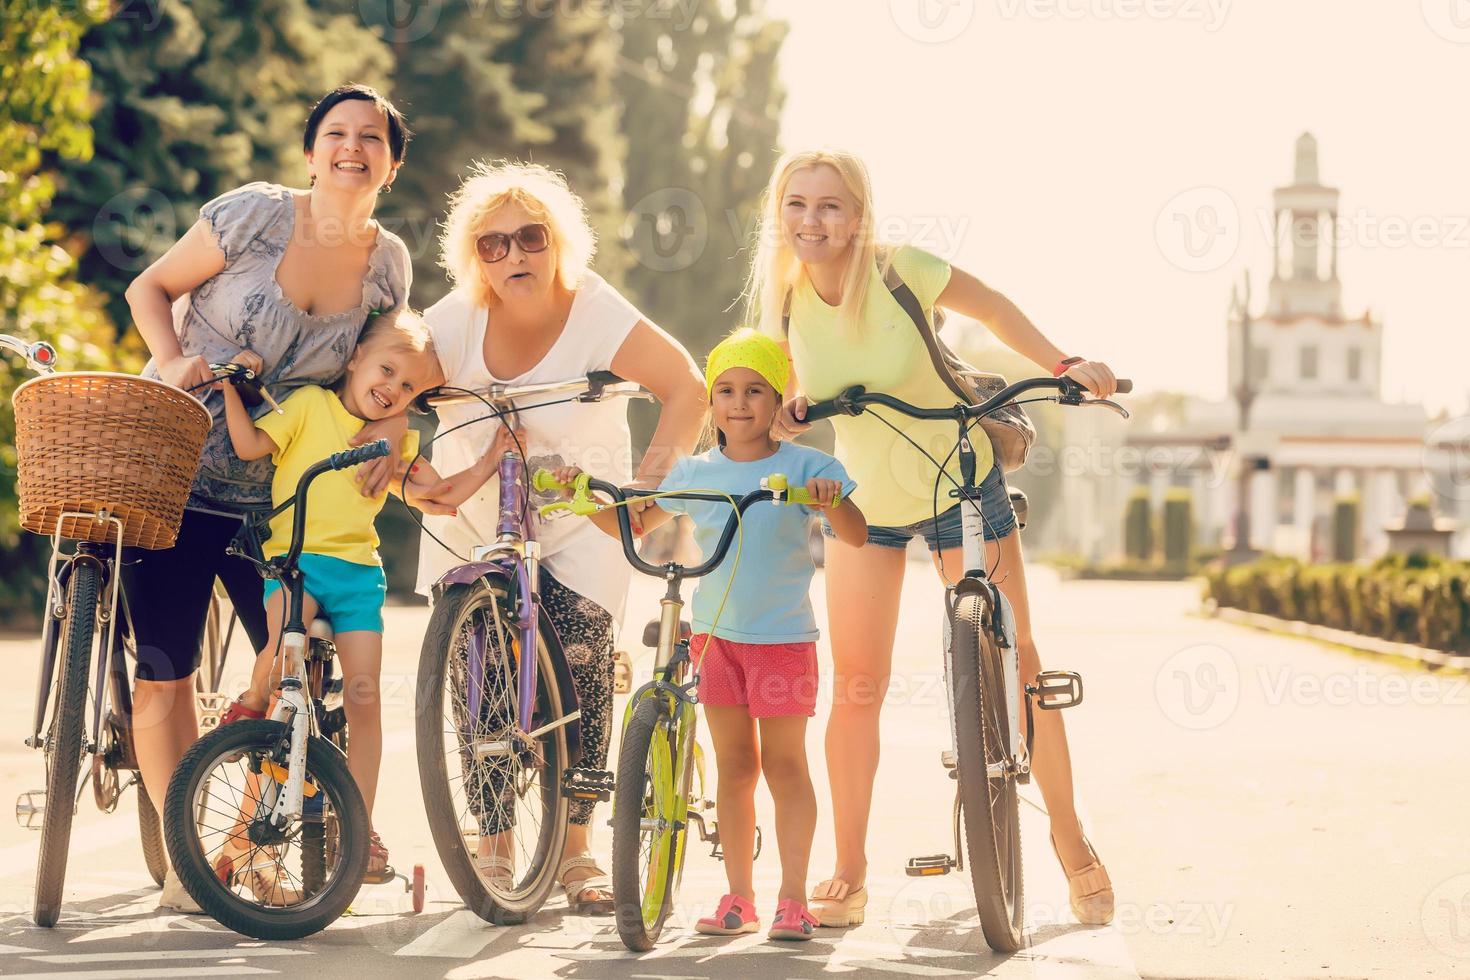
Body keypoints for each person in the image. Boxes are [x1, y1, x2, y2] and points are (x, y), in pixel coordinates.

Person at [748, 148, 1121, 927]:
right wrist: (786, 408)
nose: (813, 220)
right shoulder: (783, 300)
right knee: (856, 687)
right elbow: (788, 383)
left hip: (960, 481)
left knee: (1022, 663)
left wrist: (1064, 363)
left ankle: (1068, 835)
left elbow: (992, 307)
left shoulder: (899, 271)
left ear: (859, 215)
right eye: (797, 204)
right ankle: (848, 871)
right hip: (866, 505)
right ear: (778, 214)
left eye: (831, 205)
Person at [122, 84, 418, 912]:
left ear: (392, 165)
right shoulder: (253, 215)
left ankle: (243, 847)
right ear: (310, 148)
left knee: (294, 676)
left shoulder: (388, 264)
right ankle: (187, 860)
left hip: (285, 503)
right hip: (179, 467)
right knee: (165, 671)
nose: (352, 147)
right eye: (336, 132)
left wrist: (392, 441)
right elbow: (149, 287)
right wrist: (171, 356)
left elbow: (385, 375)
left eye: (372, 138)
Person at [415, 161, 706, 913]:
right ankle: (496, 843)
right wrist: (405, 466)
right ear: (471, 258)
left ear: (559, 242)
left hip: (580, 517)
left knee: (580, 661)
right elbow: (382, 391)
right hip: (479, 517)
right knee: (477, 667)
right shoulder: (452, 321)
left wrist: (645, 496)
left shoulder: (596, 312)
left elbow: (686, 388)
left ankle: (577, 848)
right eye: (492, 245)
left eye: (530, 237)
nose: (513, 256)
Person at [559, 329, 866, 940]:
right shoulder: (693, 471)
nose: (739, 402)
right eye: (725, 389)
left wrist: (830, 502)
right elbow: (636, 525)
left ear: (779, 399)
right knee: (734, 767)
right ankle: (739, 898)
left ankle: (792, 899)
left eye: (755, 390)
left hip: (781, 639)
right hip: (716, 640)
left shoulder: (808, 466)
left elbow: (855, 534)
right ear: (714, 401)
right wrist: (576, 497)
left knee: (784, 765)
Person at [214, 310, 507, 897]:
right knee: (276, 663)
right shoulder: (307, 408)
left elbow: (439, 499)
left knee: (365, 698)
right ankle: (246, 709)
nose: (393, 389)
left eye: (408, 388)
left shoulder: (393, 439)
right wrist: (229, 382)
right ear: (354, 359)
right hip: (294, 565)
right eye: (387, 371)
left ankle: (358, 823)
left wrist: (492, 458)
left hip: (356, 577)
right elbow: (247, 444)